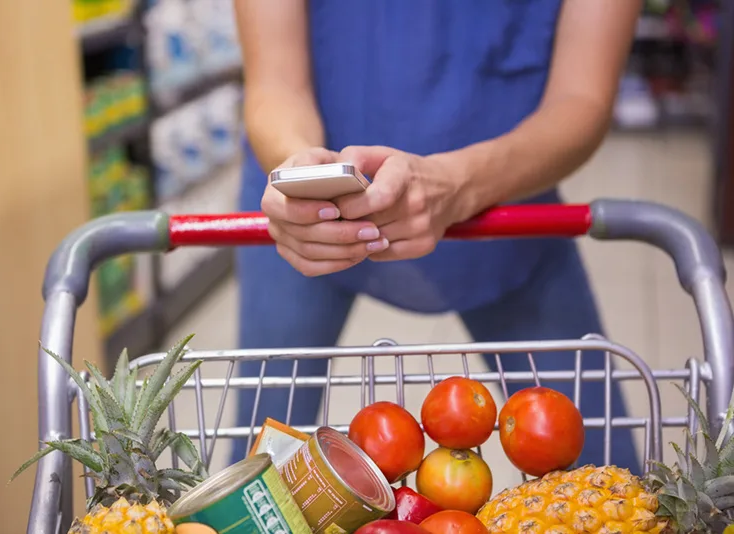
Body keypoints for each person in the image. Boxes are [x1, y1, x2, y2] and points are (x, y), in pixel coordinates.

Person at [230, 0, 644, 472]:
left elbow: (583, 99)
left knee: (604, 466)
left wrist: (459, 185)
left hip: (507, 206)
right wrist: (300, 173)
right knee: (258, 469)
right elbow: (274, 82)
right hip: (307, 220)